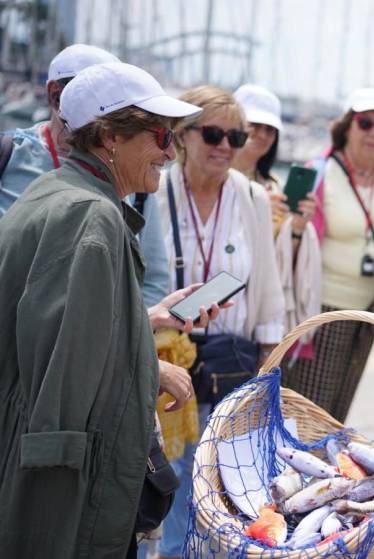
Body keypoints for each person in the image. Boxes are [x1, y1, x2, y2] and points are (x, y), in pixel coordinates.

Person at [0, 61, 205, 558]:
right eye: (161, 136)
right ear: (110, 136)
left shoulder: (57, 193)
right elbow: (67, 379)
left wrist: (144, 324)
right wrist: (149, 366)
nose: (171, 153)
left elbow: (70, 333)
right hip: (62, 496)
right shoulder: (91, 217)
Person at [155, 85, 286, 559]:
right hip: (167, 361)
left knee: (222, 494)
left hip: (230, 366)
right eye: (213, 134)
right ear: (183, 136)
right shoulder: (155, 189)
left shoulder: (251, 196)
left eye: (236, 136)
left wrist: (266, 381)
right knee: (167, 489)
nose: (226, 146)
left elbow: (270, 295)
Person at [0, 43, 171, 309]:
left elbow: (154, 280)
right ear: (54, 94)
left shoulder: (133, 178)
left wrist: (138, 330)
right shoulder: (8, 155)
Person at [281, 87, 374, 421]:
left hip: (367, 314)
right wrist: (296, 224)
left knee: (338, 418)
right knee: (309, 416)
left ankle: (326, 475)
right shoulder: (322, 171)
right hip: (322, 311)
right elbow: (288, 243)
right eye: (366, 122)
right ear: (347, 126)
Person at [232, 83, 321, 338]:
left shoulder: (275, 187)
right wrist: (255, 209)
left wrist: (297, 229)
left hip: (260, 306)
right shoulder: (215, 181)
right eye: (254, 125)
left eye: (270, 129)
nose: (262, 135)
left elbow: (282, 262)